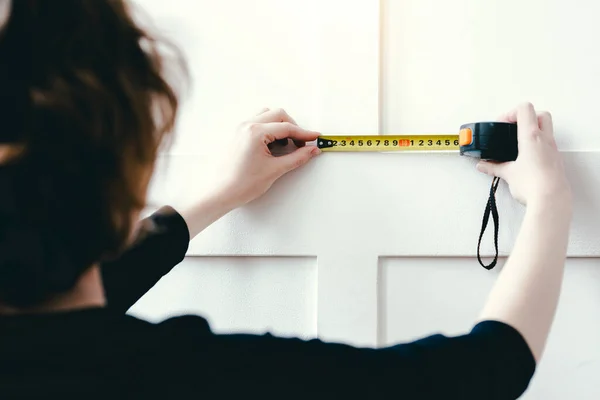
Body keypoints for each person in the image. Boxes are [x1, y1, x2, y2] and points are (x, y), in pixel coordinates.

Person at [0, 1, 573, 399]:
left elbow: (75, 298)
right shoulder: (176, 378)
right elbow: (480, 374)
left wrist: (215, 197)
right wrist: (549, 203)